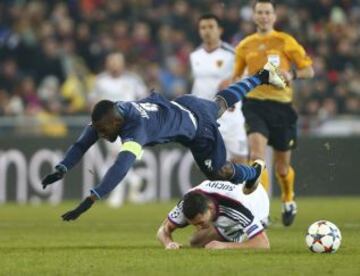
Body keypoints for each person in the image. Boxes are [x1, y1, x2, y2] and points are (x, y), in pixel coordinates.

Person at [41, 62, 285, 221]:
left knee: (218, 171)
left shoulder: (137, 130)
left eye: (104, 131)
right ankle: (261, 75)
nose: (102, 135)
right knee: (221, 104)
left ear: (115, 123)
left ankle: (250, 173)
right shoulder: (114, 111)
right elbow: (82, 143)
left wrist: (90, 200)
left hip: (199, 129)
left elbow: (120, 167)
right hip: (185, 103)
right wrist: (62, 168)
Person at [232, 0, 314, 226]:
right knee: (257, 157)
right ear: (253, 16)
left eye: (268, 12)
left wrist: (292, 75)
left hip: (282, 109)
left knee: (282, 167)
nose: (264, 16)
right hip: (254, 104)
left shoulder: (285, 41)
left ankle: (288, 198)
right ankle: (261, 212)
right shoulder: (245, 45)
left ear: (274, 16)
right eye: (260, 12)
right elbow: (237, 76)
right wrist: (231, 95)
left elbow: (309, 69)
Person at [89, 52, 147, 207]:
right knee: (116, 159)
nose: (114, 65)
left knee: (116, 158)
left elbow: (144, 100)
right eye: (111, 62)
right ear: (107, 64)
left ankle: (117, 194)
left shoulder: (133, 80)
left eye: (117, 62)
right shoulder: (100, 81)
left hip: (129, 125)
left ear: (122, 64)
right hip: (108, 126)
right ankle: (134, 180)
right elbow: (93, 101)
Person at [190, 14, 248, 163]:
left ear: (220, 30)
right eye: (203, 27)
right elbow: (198, 83)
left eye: (211, 27)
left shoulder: (231, 53)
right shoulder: (195, 56)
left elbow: (246, 75)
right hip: (207, 117)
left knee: (240, 161)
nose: (207, 31)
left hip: (230, 116)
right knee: (212, 163)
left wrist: (230, 80)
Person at [157, 179, 270, 249]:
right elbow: (162, 229)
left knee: (214, 244)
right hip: (229, 197)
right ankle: (227, 234)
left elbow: (263, 244)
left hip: (258, 204)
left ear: (210, 208)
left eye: (200, 223)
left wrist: (225, 246)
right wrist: (168, 243)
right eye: (194, 224)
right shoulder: (187, 200)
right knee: (195, 242)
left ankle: (237, 233)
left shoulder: (236, 206)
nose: (198, 228)